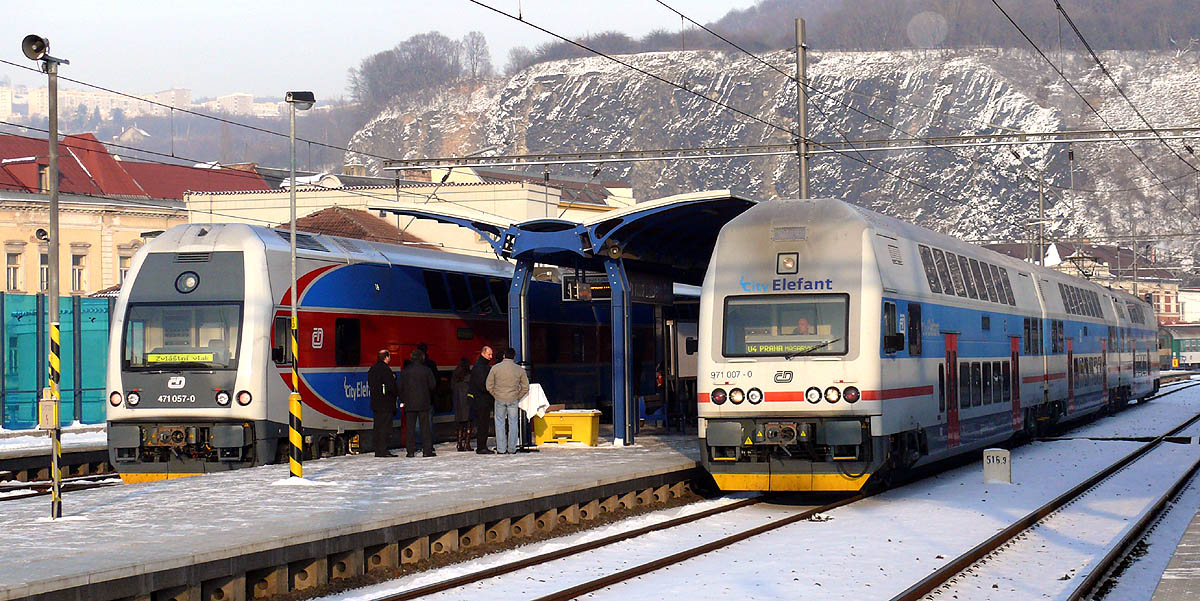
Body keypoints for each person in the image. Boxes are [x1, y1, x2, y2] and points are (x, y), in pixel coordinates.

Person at [486, 347, 530, 455]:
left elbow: (488, 386)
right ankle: (512, 448)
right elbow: (526, 387)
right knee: (513, 423)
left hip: (499, 399)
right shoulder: (519, 369)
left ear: (504, 356)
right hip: (513, 399)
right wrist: (518, 396)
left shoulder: (495, 368)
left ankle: (501, 449)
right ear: (514, 357)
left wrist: (495, 394)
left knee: (499, 423)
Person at [398, 348, 437, 457]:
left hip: (410, 404)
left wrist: (404, 399)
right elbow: (433, 385)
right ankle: (427, 451)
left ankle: (410, 451)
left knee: (410, 428)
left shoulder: (405, 371)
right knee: (425, 428)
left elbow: (400, 387)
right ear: (422, 358)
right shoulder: (427, 370)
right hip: (424, 403)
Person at [367, 349, 398, 457]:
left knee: (378, 426)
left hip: (375, 403)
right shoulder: (386, 370)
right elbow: (391, 387)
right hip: (386, 404)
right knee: (385, 427)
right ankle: (383, 449)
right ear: (386, 357)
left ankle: (378, 449)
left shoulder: (372, 369)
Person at [467, 345, 495, 454]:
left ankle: (482, 445)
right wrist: (491, 391)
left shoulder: (479, 366)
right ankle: (481, 447)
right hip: (482, 400)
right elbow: (482, 385)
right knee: (483, 424)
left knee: (483, 423)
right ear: (483, 353)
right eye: (489, 354)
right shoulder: (481, 367)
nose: (491, 357)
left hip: (480, 400)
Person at [451, 357, 472, 451]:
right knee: (469, 423)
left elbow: (452, 387)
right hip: (467, 401)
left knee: (460, 424)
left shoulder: (455, 376)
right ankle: (467, 443)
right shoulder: (469, 375)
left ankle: (459, 443)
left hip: (458, 402)